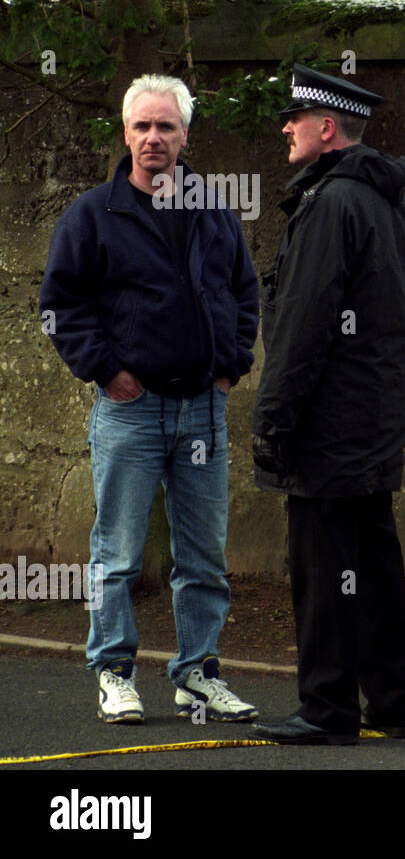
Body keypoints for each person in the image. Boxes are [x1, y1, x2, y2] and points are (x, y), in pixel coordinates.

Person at [39, 74, 259, 724]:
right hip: (129, 412)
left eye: (166, 126)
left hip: (203, 412)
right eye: (142, 126)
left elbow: (246, 295)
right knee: (118, 554)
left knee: (204, 558)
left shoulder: (214, 210)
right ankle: (113, 672)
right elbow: (59, 307)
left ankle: (197, 675)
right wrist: (106, 371)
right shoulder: (91, 215)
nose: (154, 138)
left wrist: (230, 368)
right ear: (125, 132)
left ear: (185, 134)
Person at [250, 65, 405, 745]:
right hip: (376, 419)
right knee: (375, 566)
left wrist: (274, 419)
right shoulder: (397, 205)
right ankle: (393, 701)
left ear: (326, 129)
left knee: (324, 568)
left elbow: (304, 323)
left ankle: (327, 708)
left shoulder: (330, 205)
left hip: (329, 423)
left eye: (295, 117)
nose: (285, 127)